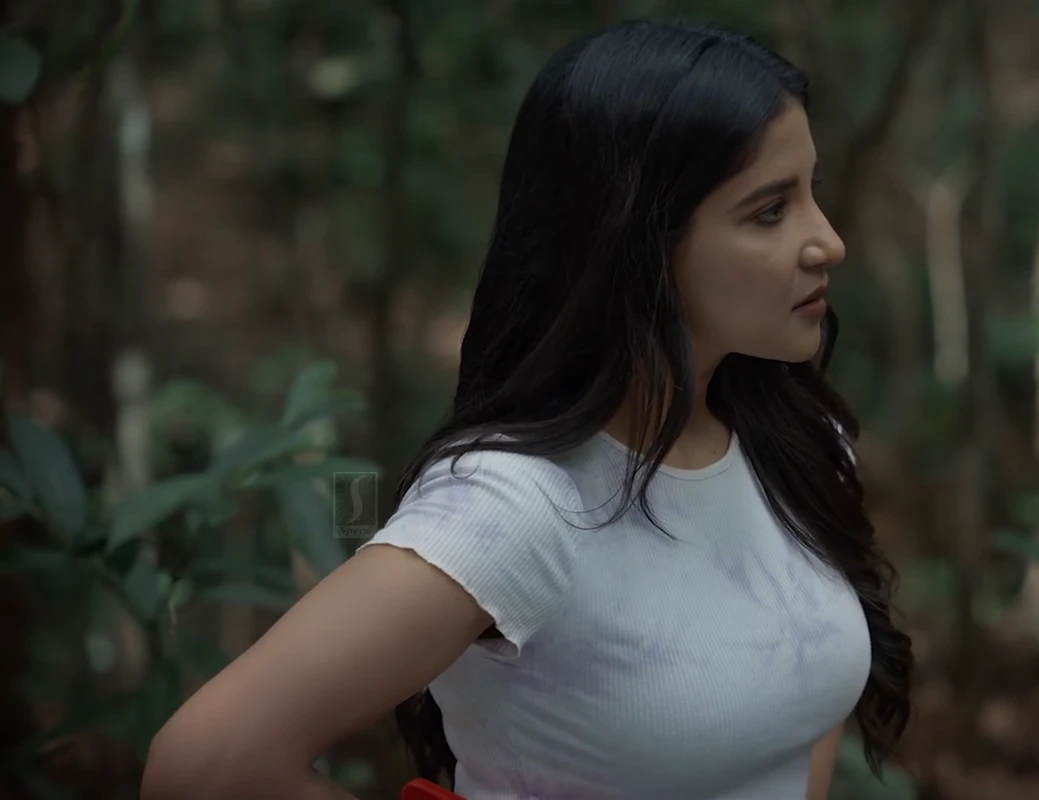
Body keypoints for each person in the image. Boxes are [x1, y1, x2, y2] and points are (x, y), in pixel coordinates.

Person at [140, 18, 913, 800]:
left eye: (811, 192)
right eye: (770, 211)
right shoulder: (514, 506)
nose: (829, 242)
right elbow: (205, 769)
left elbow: (798, 723)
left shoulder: (797, 442)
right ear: (636, 239)